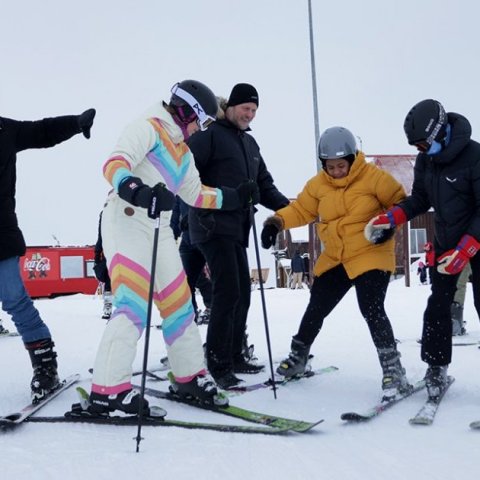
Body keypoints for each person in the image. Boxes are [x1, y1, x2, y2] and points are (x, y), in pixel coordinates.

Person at [89, 80, 258, 414]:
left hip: (158, 228)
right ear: (184, 112)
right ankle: (107, 389)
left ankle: (188, 376)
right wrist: (138, 190)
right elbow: (115, 164)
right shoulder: (148, 127)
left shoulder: (183, 152)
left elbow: (196, 194)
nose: (200, 127)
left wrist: (235, 196)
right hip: (126, 218)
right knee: (133, 305)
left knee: (180, 304)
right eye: (199, 120)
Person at [261, 126, 411, 400]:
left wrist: (389, 224)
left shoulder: (374, 178)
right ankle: (299, 356)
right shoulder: (318, 185)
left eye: (341, 165)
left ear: (353, 160)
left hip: (370, 252)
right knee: (317, 304)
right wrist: (276, 222)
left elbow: (400, 202)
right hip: (337, 255)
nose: (336, 171)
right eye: (330, 167)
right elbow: (300, 209)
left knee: (371, 306)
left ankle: (393, 368)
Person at [366, 99, 480, 400]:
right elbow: (419, 198)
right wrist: (393, 216)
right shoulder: (427, 160)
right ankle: (436, 366)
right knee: (437, 307)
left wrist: (467, 248)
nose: (420, 150)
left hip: (477, 240)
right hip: (446, 242)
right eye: (416, 146)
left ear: (441, 131)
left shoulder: (475, 155)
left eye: (423, 144)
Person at [187, 83, 290, 389]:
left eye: (254, 110)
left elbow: (265, 186)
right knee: (228, 291)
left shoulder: (250, 145)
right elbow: (187, 176)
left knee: (242, 293)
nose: (250, 114)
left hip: (237, 229)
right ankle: (217, 362)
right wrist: (229, 196)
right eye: (245, 108)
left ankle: (233, 354)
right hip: (210, 225)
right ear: (230, 106)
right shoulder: (209, 136)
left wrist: (292, 209)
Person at [0, 108, 96, 401]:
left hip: (0, 235)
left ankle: (45, 368)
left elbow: (41, 132)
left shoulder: (5, 130)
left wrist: (75, 124)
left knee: (15, 301)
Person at [170, 196, 212, 324]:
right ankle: (189, 315)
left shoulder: (206, 180)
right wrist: (170, 236)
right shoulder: (180, 192)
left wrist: (193, 217)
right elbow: (175, 215)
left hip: (208, 237)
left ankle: (215, 310)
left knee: (217, 279)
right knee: (185, 282)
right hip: (188, 241)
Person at [93, 211, 113, 320]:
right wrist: (97, 253)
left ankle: (127, 307)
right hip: (109, 249)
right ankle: (108, 306)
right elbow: (101, 234)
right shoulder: (105, 213)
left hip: (123, 248)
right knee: (109, 279)